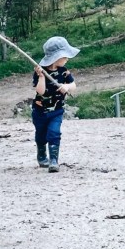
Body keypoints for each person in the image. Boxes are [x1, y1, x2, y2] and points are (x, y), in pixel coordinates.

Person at [31, 35, 79, 173]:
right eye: (65, 56)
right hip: (40, 111)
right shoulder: (40, 71)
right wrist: (41, 77)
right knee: (41, 135)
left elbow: (73, 85)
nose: (67, 59)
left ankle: (53, 160)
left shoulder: (64, 72)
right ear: (58, 57)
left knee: (54, 133)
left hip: (56, 110)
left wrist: (67, 87)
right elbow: (40, 91)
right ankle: (41, 155)